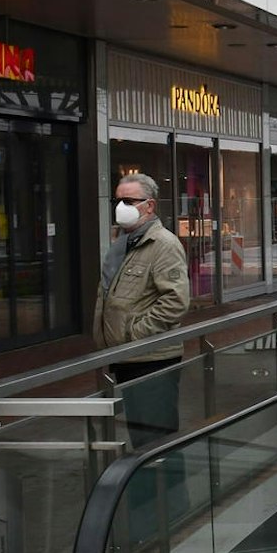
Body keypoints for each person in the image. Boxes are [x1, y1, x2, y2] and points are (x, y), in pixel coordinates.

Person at [95, 173, 191, 451]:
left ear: (149, 206)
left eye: (128, 201)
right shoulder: (124, 243)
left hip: (152, 358)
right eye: (117, 200)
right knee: (141, 437)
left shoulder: (163, 244)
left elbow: (176, 300)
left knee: (158, 440)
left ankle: (168, 479)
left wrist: (134, 333)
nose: (120, 207)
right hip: (126, 357)